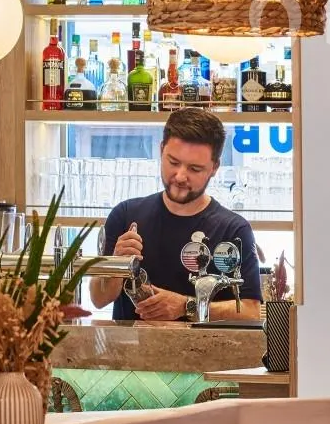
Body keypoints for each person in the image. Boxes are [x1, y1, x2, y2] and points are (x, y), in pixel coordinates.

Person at [91, 108, 263, 321]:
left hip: (207, 344)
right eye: (173, 162)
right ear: (161, 150)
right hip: (131, 343)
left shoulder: (233, 230)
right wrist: (117, 264)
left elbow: (250, 311)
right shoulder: (125, 215)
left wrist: (186, 306)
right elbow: (98, 299)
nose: (180, 176)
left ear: (214, 167)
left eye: (194, 169)